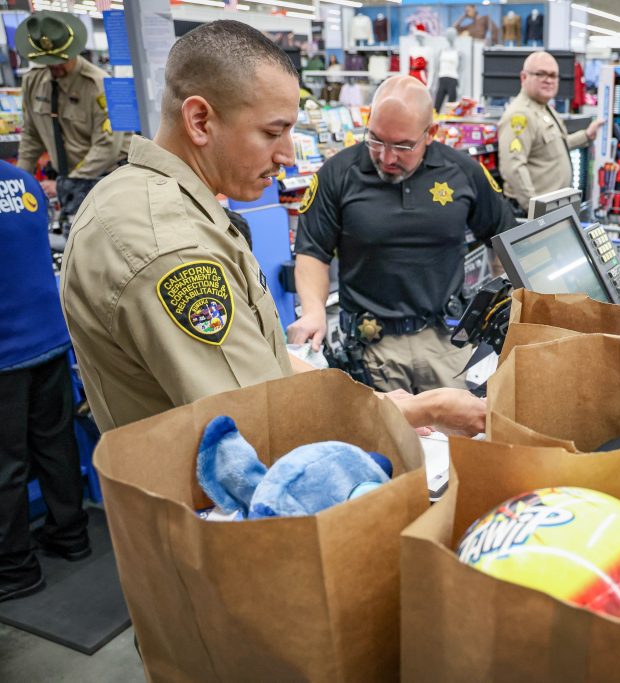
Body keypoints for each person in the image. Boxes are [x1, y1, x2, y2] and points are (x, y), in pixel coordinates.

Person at [60, 21, 485, 437]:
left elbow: (267, 362)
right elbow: (258, 418)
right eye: (272, 131)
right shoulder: (169, 247)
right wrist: (419, 410)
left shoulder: (152, 200)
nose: (286, 154)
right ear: (200, 121)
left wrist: (387, 404)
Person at [288, 75, 515, 394]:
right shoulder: (338, 174)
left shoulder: (462, 172)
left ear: (431, 133)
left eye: (403, 146)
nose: (386, 157)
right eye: (376, 140)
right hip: (371, 349)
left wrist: (501, 304)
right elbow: (313, 251)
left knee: (455, 439)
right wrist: (313, 312)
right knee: (386, 440)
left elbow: (503, 234)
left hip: (446, 343)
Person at [1, 160, 90, 603]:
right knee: (56, 443)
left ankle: (15, 570)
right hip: (50, 338)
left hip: (5, 355)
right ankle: (70, 535)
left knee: (6, 467)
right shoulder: (22, 181)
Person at [14, 11, 130, 217]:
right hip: (67, 183)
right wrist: (19, 180)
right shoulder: (33, 81)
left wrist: (67, 184)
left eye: (61, 59)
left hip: (106, 181)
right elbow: (31, 136)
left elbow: (107, 146)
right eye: (48, 60)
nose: (55, 66)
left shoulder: (101, 85)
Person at [498, 51, 604, 213]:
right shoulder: (520, 115)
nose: (548, 80)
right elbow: (513, 167)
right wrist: (534, 209)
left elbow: (555, 146)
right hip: (532, 213)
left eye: (553, 75)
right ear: (524, 77)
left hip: (550, 209)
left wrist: (586, 136)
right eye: (541, 74)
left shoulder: (544, 109)